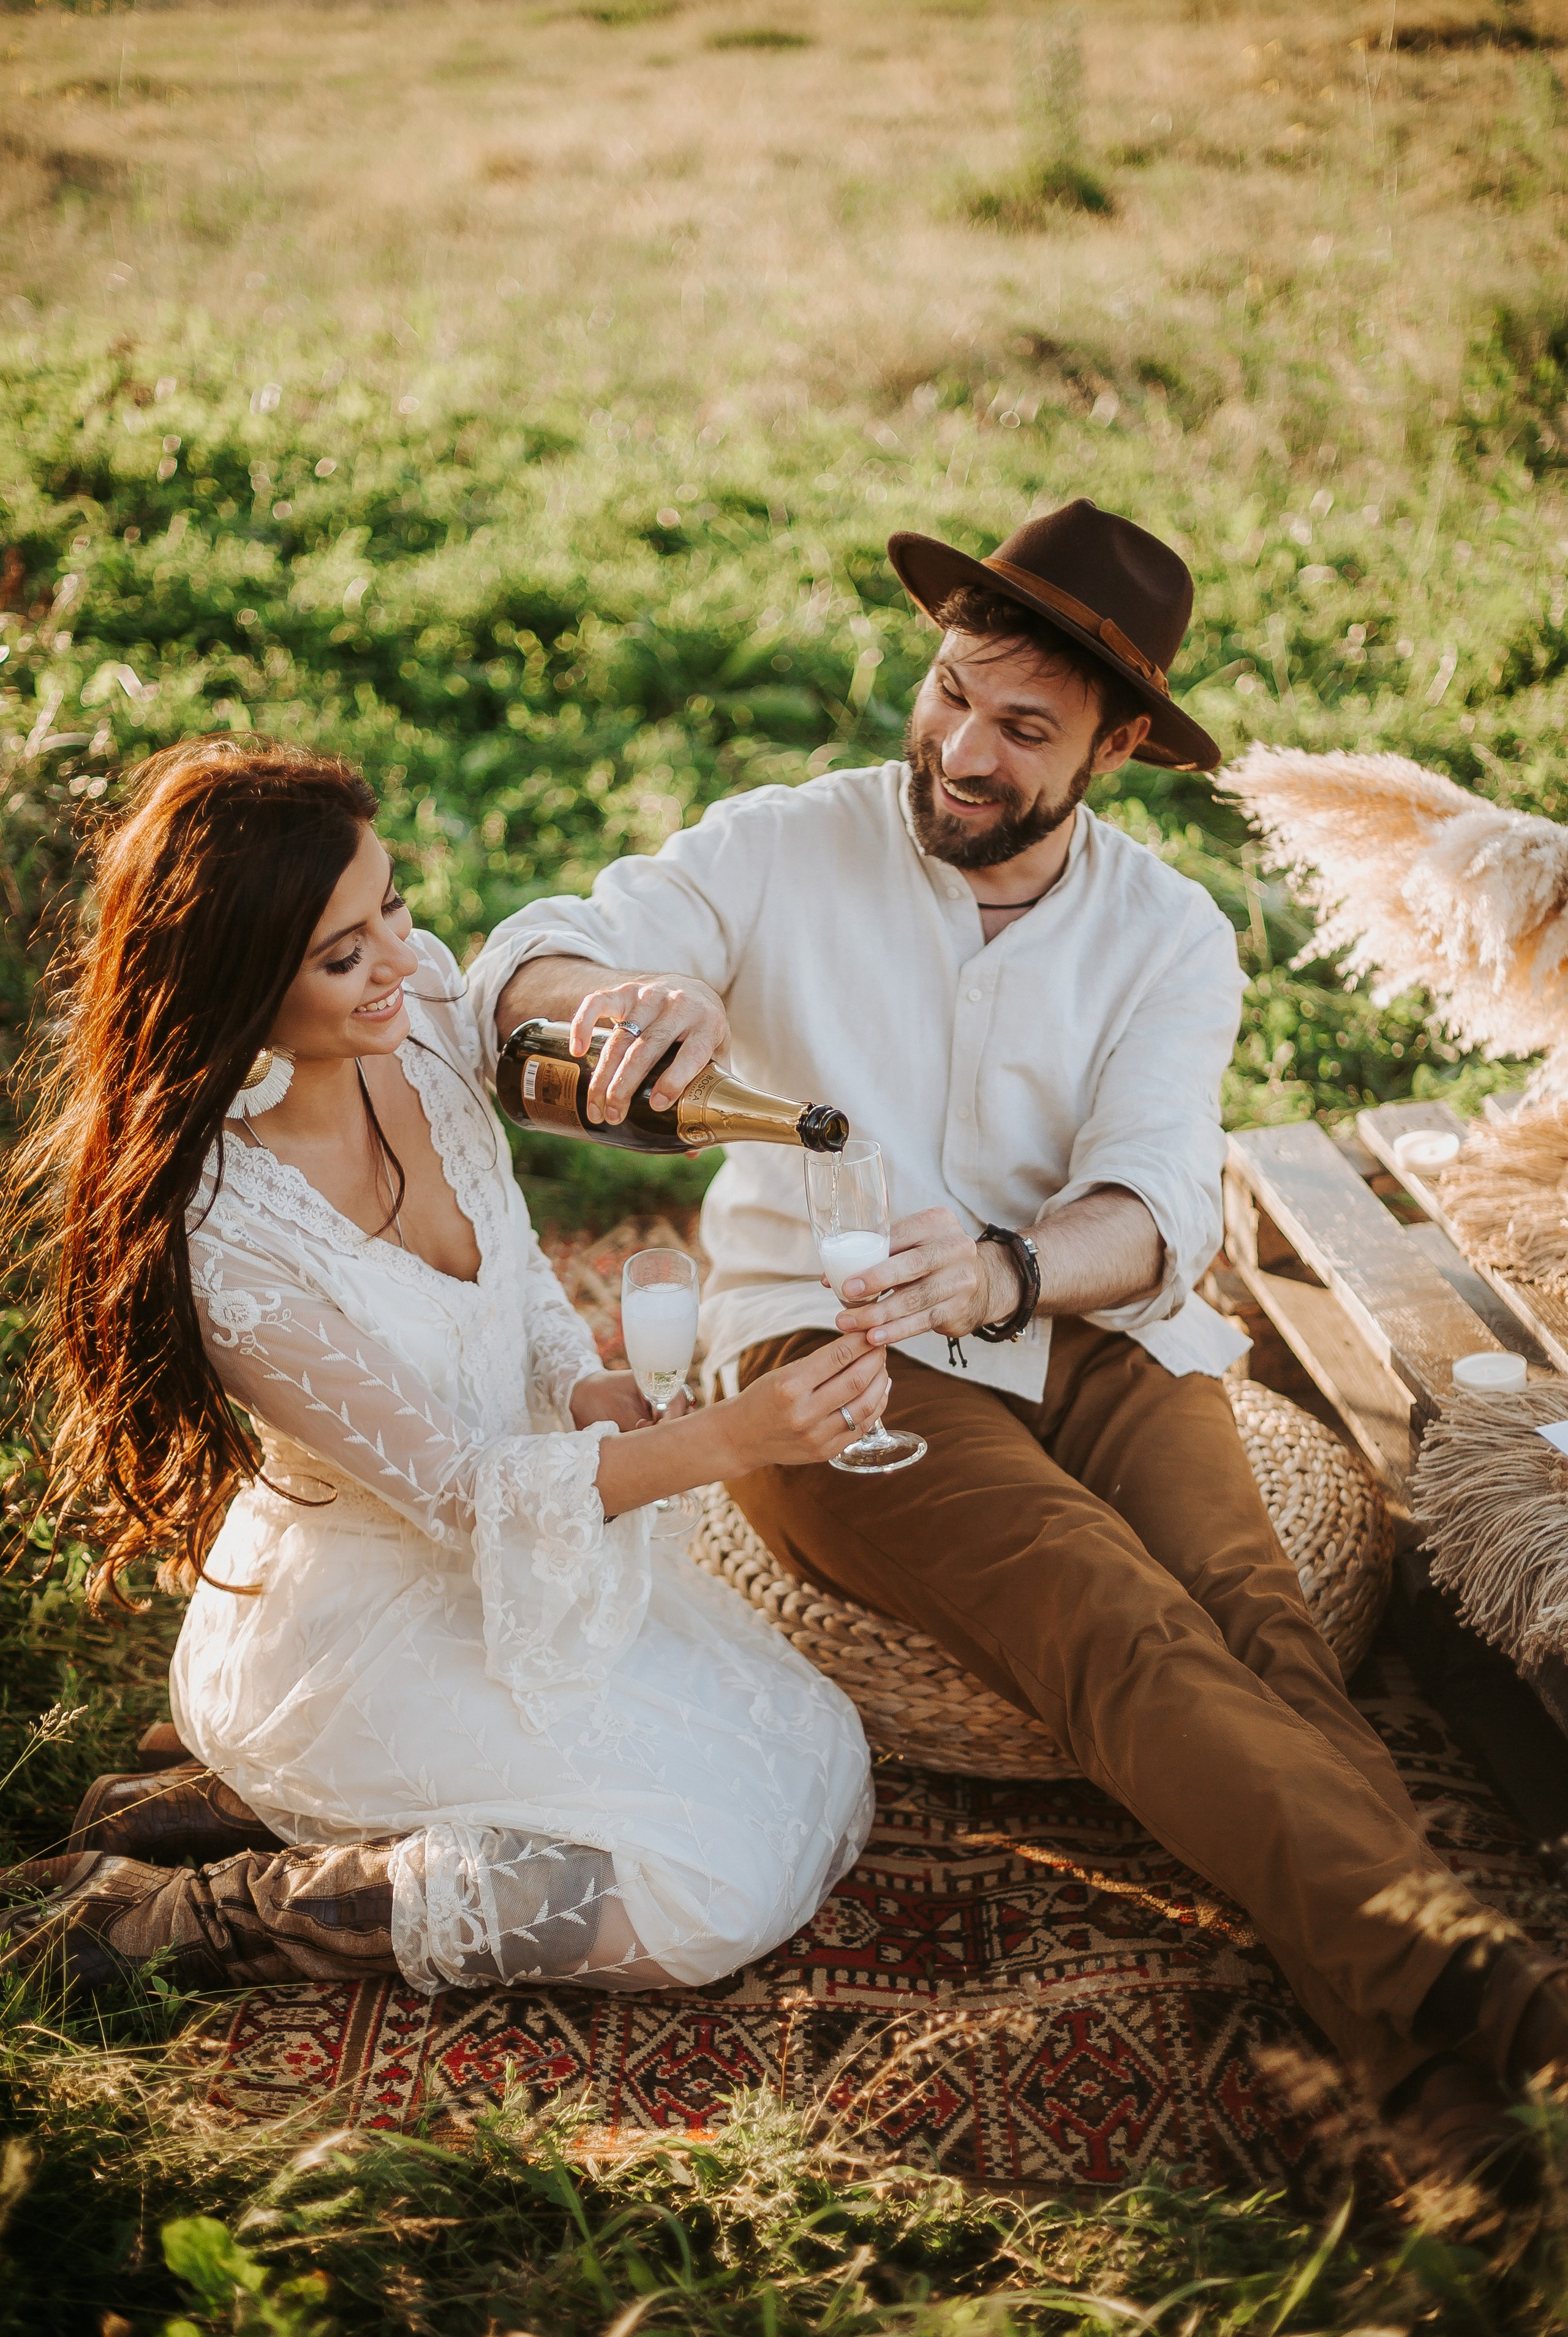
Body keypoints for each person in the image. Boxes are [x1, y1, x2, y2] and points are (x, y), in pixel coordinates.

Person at [464, 497, 1568, 2189]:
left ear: (1119, 744)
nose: (962, 750)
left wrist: (997, 1271)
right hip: (832, 1367)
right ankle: (1480, 1999)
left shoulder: (1167, 935)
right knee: (1111, 1618)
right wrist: (602, 1000)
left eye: (1024, 728)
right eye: (951, 693)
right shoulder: (783, 845)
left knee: (1266, 1623)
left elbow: (1156, 1210)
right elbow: (528, 966)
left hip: (1089, 1331)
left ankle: (1414, 2076)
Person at [1, 739, 879, 1996]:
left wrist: (582, 1387)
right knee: (706, 1891)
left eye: (393, 903)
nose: (406, 966)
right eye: (343, 954)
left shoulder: (415, 1033)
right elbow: (466, 1497)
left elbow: (514, 1276)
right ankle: (210, 1915)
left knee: (808, 1750)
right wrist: (734, 1439)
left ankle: (211, 1810)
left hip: (526, 1546)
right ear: (243, 991)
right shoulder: (224, 1236)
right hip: (369, 1618)